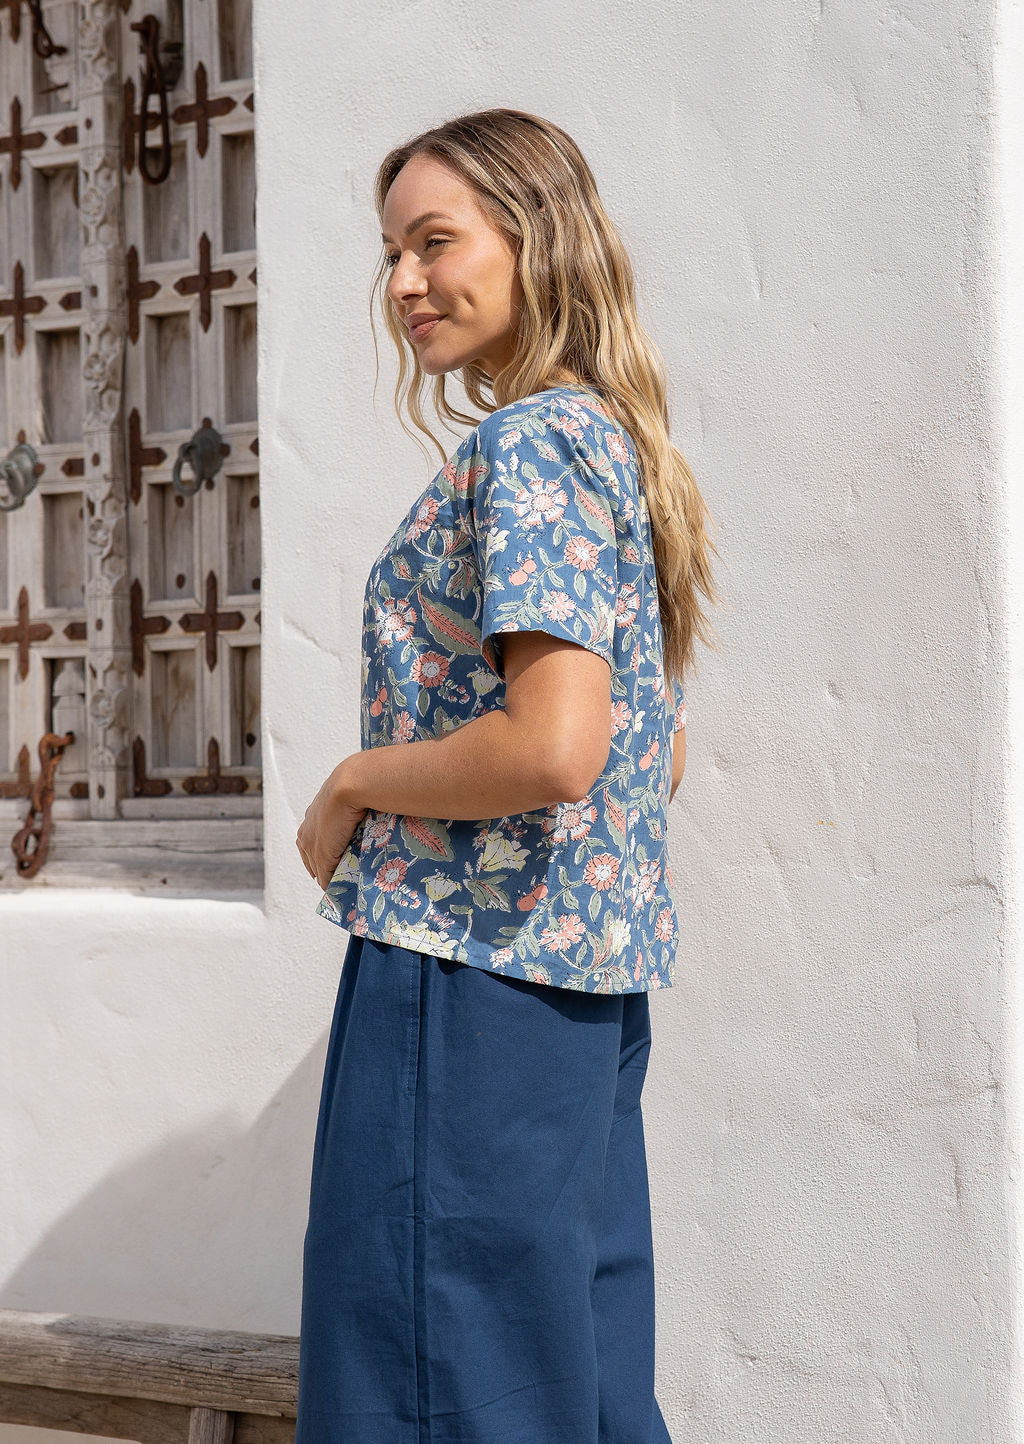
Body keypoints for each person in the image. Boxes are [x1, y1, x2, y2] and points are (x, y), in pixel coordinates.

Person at [293, 107, 717, 1443]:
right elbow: (656, 748)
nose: (406, 282)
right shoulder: (613, 446)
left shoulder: (527, 447)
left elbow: (555, 744)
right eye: (391, 254)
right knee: (569, 1383)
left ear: (538, 245)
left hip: (462, 982)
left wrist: (357, 784)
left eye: (436, 241)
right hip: (577, 993)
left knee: (430, 1385)